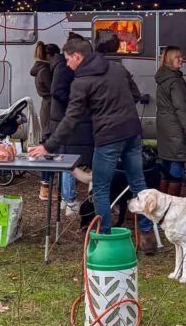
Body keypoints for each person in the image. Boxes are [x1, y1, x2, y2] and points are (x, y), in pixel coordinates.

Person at [30, 37, 147, 235]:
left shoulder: (81, 82)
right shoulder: (117, 68)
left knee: (100, 187)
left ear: (77, 56)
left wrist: (48, 146)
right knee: (138, 183)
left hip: (108, 137)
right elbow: (135, 94)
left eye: (67, 59)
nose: (66, 64)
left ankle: (105, 235)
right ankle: (146, 233)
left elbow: (71, 118)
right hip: (132, 132)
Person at [47, 36, 88, 216]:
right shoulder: (64, 66)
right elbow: (57, 91)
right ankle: (69, 200)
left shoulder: (61, 65)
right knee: (69, 159)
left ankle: (66, 199)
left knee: (66, 159)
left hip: (62, 117)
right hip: (64, 118)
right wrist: (76, 102)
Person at [155, 46, 186, 197]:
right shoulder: (175, 81)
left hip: (164, 126)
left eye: (181, 56)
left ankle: (162, 198)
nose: (181, 59)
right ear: (170, 59)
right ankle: (173, 201)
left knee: (165, 162)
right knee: (177, 161)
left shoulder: (162, 78)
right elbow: (180, 108)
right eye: (178, 57)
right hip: (176, 127)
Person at [31, 42, 57, 201]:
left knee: (49, 144)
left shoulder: (40, 69)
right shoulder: (45, 71)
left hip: (47, 107)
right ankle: (46, 186)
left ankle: (46, 185)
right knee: (49, 146)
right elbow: (54, 90)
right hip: (50, 108)